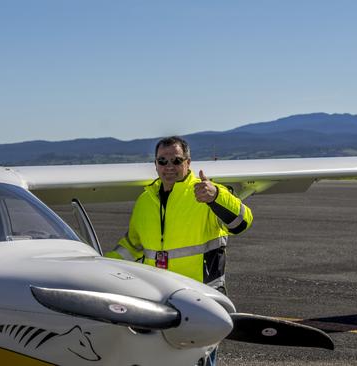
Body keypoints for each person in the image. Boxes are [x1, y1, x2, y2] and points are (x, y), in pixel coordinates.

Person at [105, 136, 253, 365]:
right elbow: (132, 246)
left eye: (176, 160)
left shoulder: (206, 193)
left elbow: (242, 223)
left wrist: (215, 197)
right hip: (158, 302)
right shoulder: (146, 200)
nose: (169, 167)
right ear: (155, 164)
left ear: (188, 162)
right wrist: (100, 266)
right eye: (162, 161)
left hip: (201, 304)